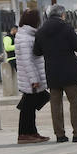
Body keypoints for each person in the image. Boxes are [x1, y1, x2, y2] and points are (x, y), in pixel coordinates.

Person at [33, 3, 77, 143]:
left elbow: (36, 51)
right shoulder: (66, 28)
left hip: (52, 72)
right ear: (62, 14)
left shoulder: (41, 31)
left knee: (55, 105)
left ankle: (60, 135)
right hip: (70, 72)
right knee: (75, 103)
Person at [14, 9, 49, 144]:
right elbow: (28, 60)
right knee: (28, 107)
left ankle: (31, 132)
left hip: (30, 77)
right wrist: (34, 80)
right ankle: (24, 134)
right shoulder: (25, 37)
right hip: (30, 79)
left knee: (29, 106)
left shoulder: (26, 34)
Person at [0, 25, 18, 96]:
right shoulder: (7, 37)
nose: (17, 32)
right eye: (16, 30)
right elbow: (7, 48)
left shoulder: (13, 37)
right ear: (13, 29)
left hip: (15, 58)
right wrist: (18, 46)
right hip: (12, 59)